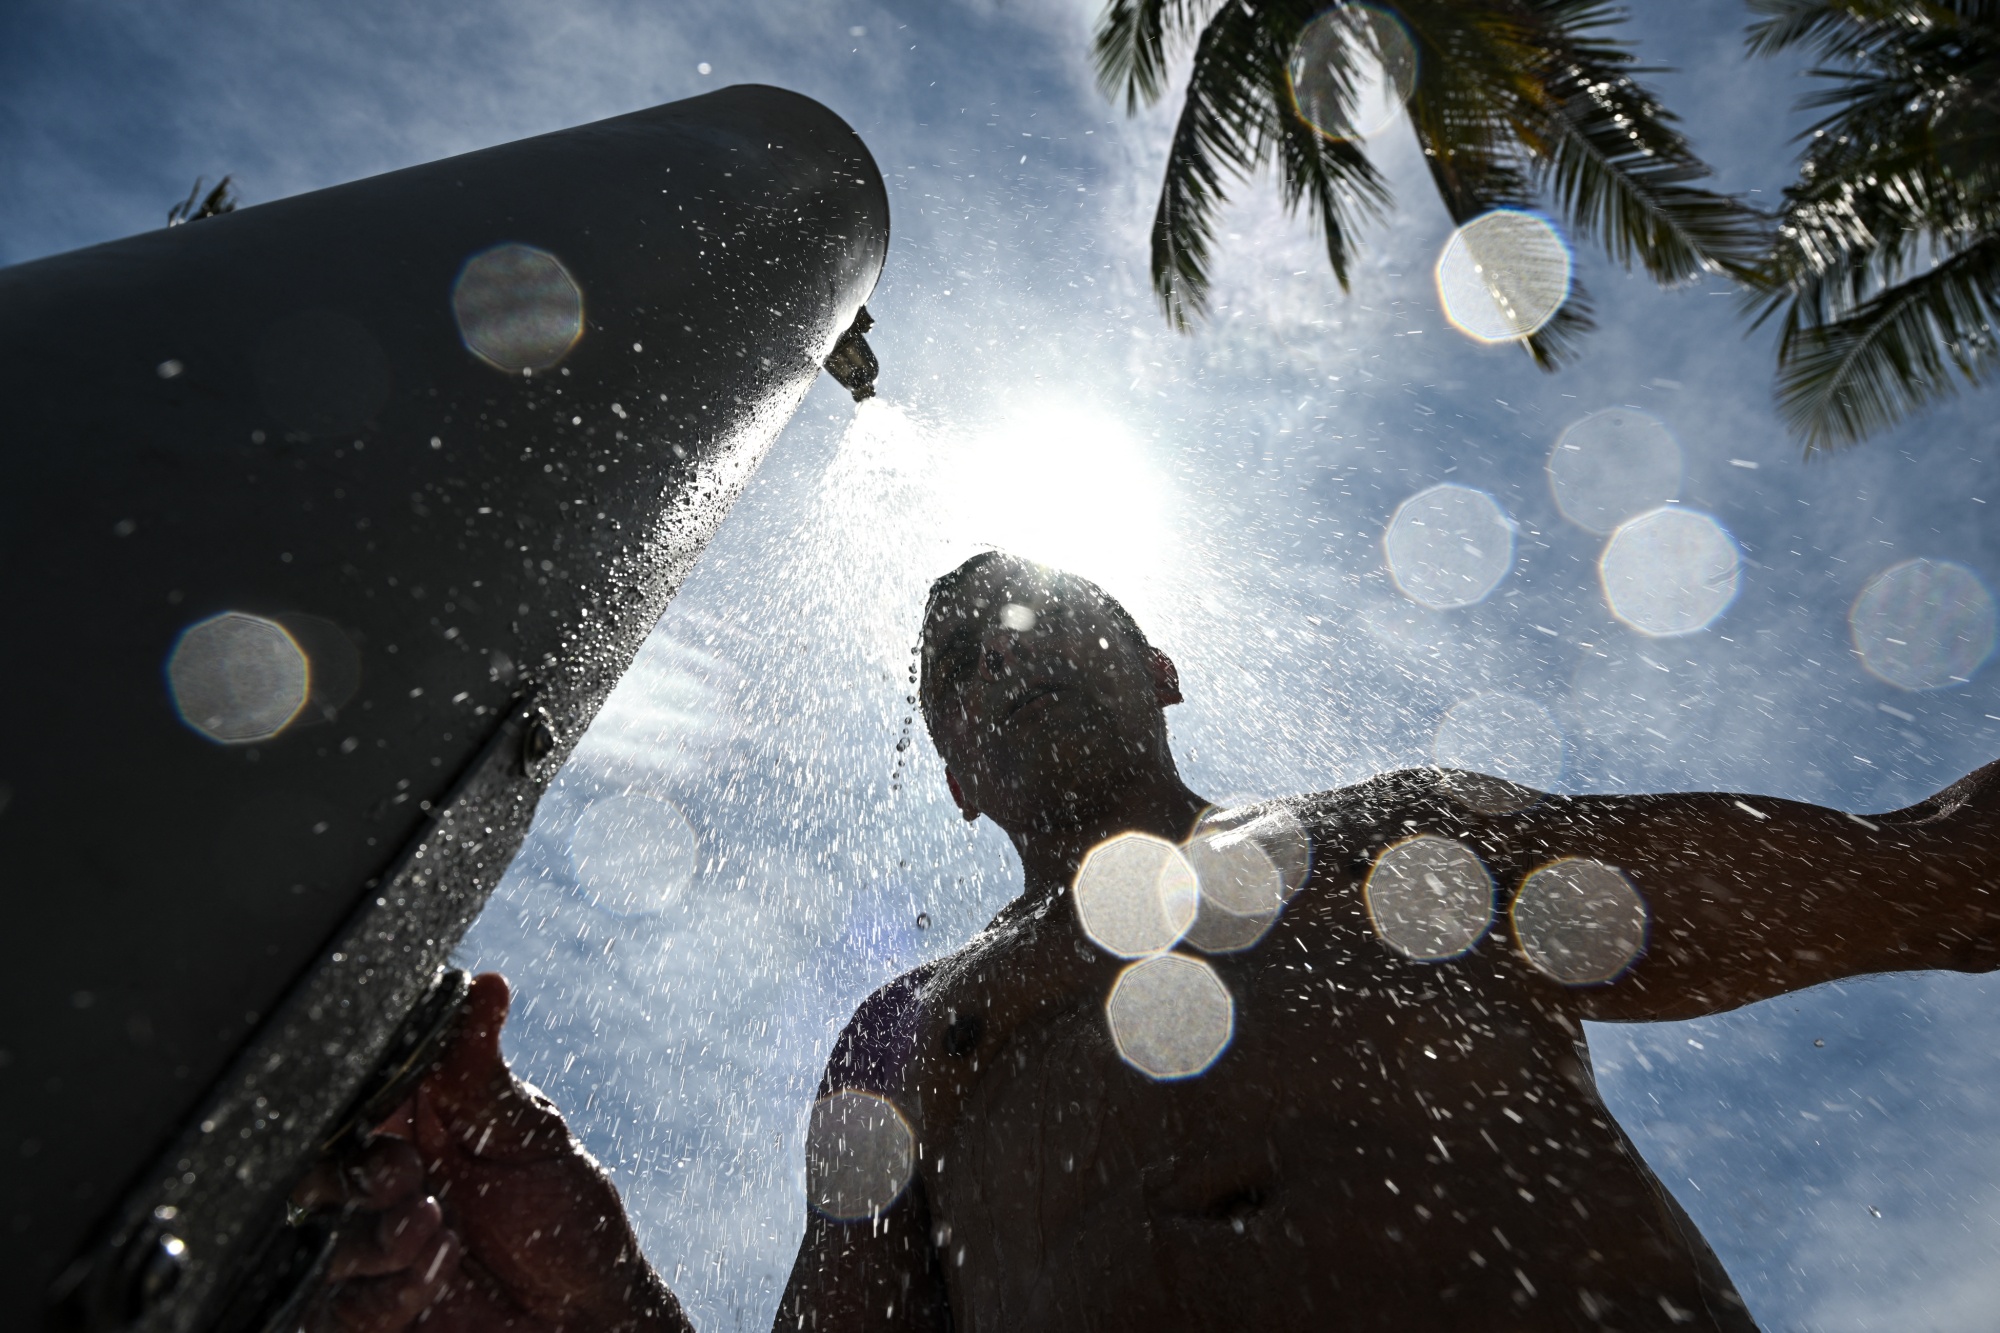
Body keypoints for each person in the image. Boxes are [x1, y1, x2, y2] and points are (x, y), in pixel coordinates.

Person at [297, 550, 2000, 1332]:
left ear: (1161, 659)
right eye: (957, 664)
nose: (1005, 646)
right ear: (954, 770)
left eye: (1053, 610)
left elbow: (1930, 876)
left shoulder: (1410, 832)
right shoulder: (908, 1029)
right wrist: (555, 1272)